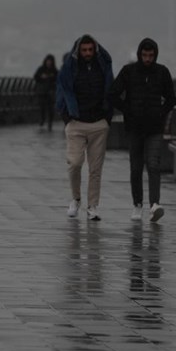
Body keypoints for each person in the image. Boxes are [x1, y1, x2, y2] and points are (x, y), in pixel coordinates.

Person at [109, 38, 176, 223]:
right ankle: (137, 204)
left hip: (154, 128)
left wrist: (160, 113)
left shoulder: (162, 72)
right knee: (136, 167)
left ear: (155, 55)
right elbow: (113, 94)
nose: (147, 59)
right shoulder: (128, 72)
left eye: (151, 55)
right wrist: (127, 110)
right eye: (145, 55)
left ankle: (154, 204)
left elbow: (171, 98)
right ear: (140, 54)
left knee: (154, 165)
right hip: (134, 128)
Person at [56, 34, 114, 221]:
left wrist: (107, 118)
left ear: (95, 50)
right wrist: (67, 117)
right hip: (76, 122)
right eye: (84, 50)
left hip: (99, 123)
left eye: (90, 50)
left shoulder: (103, 66)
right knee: (74, 163)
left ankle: (93, 206)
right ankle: (75, 199)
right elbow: (61, 91)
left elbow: (111, 89)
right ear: (78, 51)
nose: (87, 53)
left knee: (96, 168)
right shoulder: (70, 68)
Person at [33, 55, 59, 132]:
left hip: (50, 92)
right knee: (42, 107)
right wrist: (42, 77)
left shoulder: (54, 70)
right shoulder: (41, 69)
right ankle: (42, 119)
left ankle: (50, 123)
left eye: (50, 61)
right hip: (42, 92)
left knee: (50, 108)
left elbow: (57, 79)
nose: (49, 62)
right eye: (48, 60)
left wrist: (50, 77)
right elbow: (36, 77)